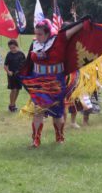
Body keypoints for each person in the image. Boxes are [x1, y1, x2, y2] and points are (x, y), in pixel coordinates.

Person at [20, 19, 84, 147]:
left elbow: (75, 28)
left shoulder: (59, 39)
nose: (37, 36)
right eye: (36, 33)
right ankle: (36, 139)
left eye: (40, 34)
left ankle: (59, 136)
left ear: (48, 33)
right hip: (38, 81)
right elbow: (30, 62)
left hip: (55, 82)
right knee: (38, 110)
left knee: (57, 112)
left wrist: (85, 21)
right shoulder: (35, 43)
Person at [4, 39, 26, 112]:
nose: (12, 49)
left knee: (18, 89)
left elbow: (25, 65)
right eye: (10, 48)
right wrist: (8, 71)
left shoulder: (21, 54)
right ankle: (11, 105)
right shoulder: (9, 54)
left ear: (17, 46)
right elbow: (5, 65)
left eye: (13, 47)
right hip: (11, 75)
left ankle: (13, 104)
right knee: (13, 89)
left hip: (19, 75)